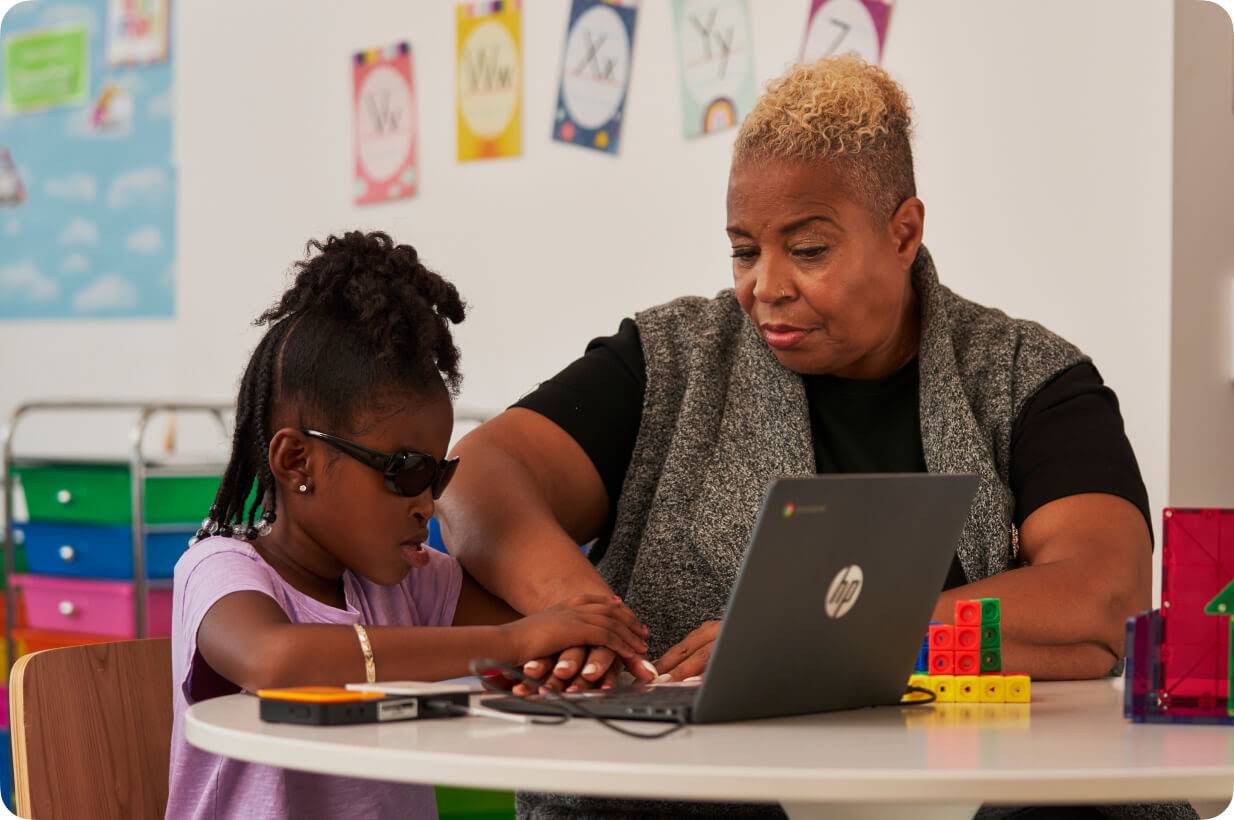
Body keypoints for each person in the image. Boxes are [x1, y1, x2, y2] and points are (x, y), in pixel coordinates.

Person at [437, 57, 1186, 819]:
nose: (765, 285)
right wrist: (582, 609)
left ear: (904, 231)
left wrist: (805, 648)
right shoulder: (674, 360)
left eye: (808, 249)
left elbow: (1102, 599)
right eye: (743, 249)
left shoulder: (1029, 376)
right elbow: (476, 476)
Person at [165, 231, 648, 820]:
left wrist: (579, 642)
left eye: (437, 476)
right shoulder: (220, 568)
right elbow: (275, 660)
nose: (426, 504)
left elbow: (550, 639)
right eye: (404, 472)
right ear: (298, 462)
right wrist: (510, 644)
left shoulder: (412, 585)